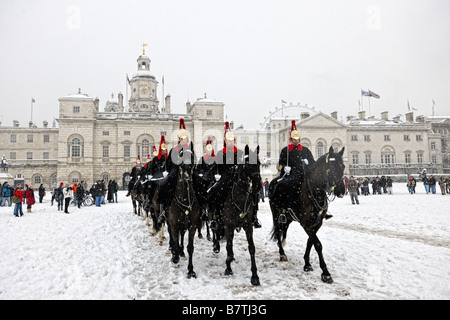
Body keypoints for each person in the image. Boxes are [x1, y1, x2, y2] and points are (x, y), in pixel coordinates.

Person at [270, 120, 316, 224]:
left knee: (317, 187)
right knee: (282, 186)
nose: (296, 141)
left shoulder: (305, 150)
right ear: (291, 139)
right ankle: (282, 210)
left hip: (305, 175)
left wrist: (308, 162)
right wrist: (285, 167)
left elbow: (313, 163)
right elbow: (279, 165)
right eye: (294, 139)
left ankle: (320, 208)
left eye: (297, 139)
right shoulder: (286, 151)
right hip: (291, 175)